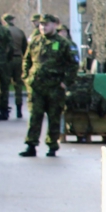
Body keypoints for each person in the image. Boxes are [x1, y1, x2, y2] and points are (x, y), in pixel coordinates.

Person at [20, 14, 76, 158]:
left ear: (54, 25)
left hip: (54, 87)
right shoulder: (35, 41)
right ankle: (31, 145)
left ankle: (52, 146)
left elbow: (73, 64)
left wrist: (66, 82)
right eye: (41, 25)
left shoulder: (63, 43)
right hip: (36, 86)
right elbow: (27, 60)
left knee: (54, 117)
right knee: (34, 116)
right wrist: (26, 77)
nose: (43, 27)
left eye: (46, 24)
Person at [4, 13, 27, 118]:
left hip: (6, 60)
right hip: (18, 58)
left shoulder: (3, 31)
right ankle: (19, 109)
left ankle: (4, 108)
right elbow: (25, 48)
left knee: (4, 84)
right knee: (18, 85)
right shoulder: (19, 31)